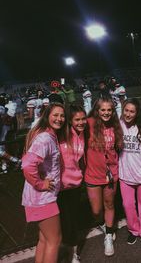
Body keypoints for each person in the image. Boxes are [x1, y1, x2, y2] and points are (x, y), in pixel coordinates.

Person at [21, 103, 66, 263]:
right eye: (55, 115)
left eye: (62, 115)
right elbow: (27, 164)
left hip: (37, 199)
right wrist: (40, 184)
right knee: (54, 241)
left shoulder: (47, 134)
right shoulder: (45, 138)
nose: (59, 119)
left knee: (44, 240)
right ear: (47, 116)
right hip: (42, 198)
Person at [84, 97, 123, 256]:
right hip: (93, 174)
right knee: (96, 210)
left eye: (109, 110)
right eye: (103, 110)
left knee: (109, 204)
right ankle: (104, 224)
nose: (106, 113)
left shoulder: (115, 125)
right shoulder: (89, 123)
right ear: (97, 111)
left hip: (111, 174)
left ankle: (108, 234)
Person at [119, 98, 141, 248]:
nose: (128, 114)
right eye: (126, 110)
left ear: (137, 113)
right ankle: (134, 230)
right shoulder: (118, 125)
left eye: (132, 111)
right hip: (125, 174)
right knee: (127, 205)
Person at [58, 104, 87, 263]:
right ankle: (63, 250)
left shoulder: (82, 134)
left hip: (75, 185)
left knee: (73, 220)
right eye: (77, 120)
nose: (81, 122)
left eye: (83, 119)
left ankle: (73, 253)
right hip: (59, 187)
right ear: (70, 120)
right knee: (62, 221)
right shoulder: (60, 134)